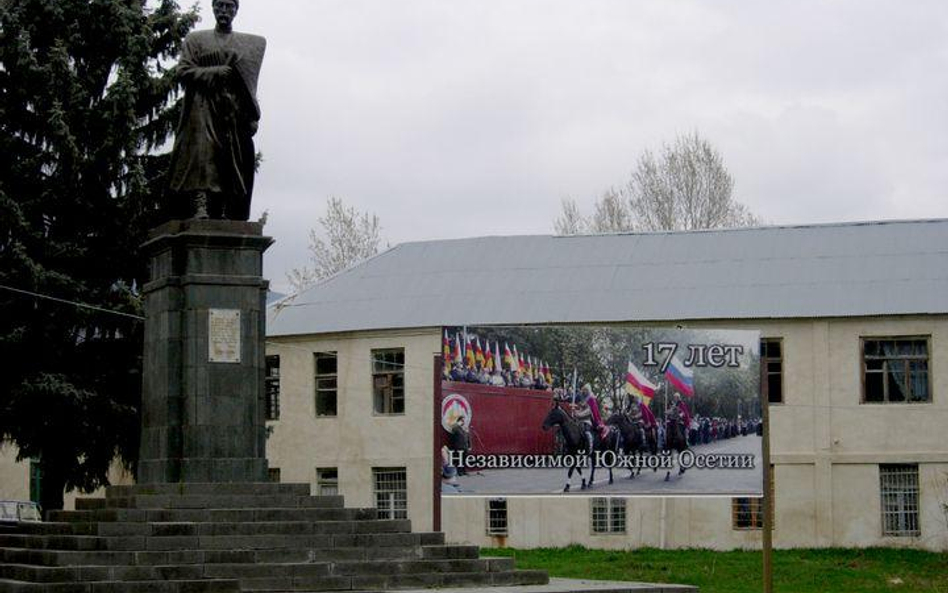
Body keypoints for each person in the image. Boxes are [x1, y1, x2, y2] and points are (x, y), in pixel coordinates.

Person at [168, 0, 266, 221]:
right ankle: (200, 205)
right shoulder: (196, 40)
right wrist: (214, 72)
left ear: (236, 10)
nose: (224, 11)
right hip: (201, 108)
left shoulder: (245, 45)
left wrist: (251, 114)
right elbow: (183, 71)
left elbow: (247, 84)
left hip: (230, 110)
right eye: (220, 6)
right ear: (213, 8)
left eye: (229, 6)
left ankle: (222, 210)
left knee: (227, 158)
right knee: (202, 156)